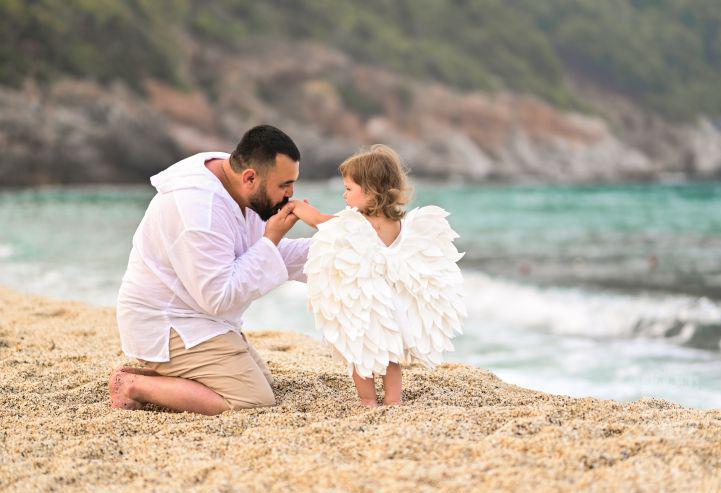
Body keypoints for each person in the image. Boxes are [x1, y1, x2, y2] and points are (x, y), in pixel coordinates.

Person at [110, 125, 310, 415]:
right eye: (284, 185)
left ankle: (160, 379)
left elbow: (267, 255)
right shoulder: (200, 210)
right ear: (250, 177)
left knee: (263, 383)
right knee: (251, 399)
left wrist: (337, 250)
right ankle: (132, 385)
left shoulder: (233, 177)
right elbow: (218, 296)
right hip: (168, 323)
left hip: (202, 316)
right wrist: (271, 238)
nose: (291, 195)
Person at [290, 145, 467, 406]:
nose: (344, 195)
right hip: (393, 304)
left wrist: (295, 206)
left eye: (349, 189)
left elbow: (321, 221)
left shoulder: (356, 222)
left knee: (359, 353)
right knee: (392, 356)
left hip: (366, 303)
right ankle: (393, 402)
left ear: (371, 191)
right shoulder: (398, 223)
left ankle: (368, 401)